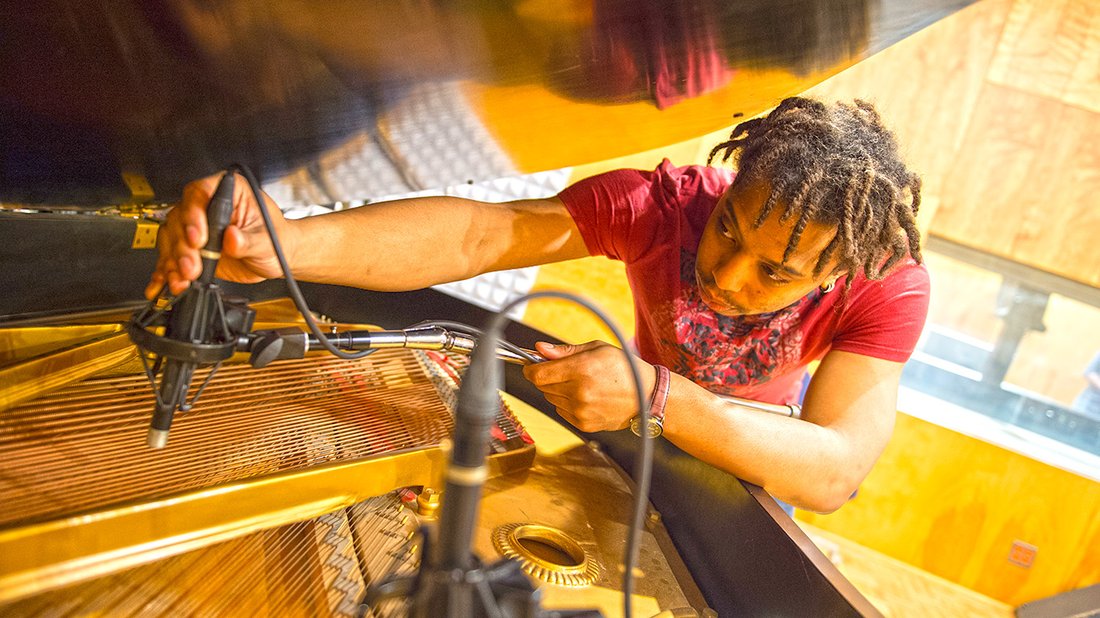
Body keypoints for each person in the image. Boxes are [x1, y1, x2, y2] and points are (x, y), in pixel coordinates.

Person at [148, 96, 929, 514]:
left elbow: (834, 472)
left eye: (775, 273)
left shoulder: (890, 286)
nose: (727, 273)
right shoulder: (662, 206)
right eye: (728, 229)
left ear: (834, 275)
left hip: (755, 472)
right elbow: (479, 239)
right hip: (634, 445)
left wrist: (659, 394)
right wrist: (289, 244)